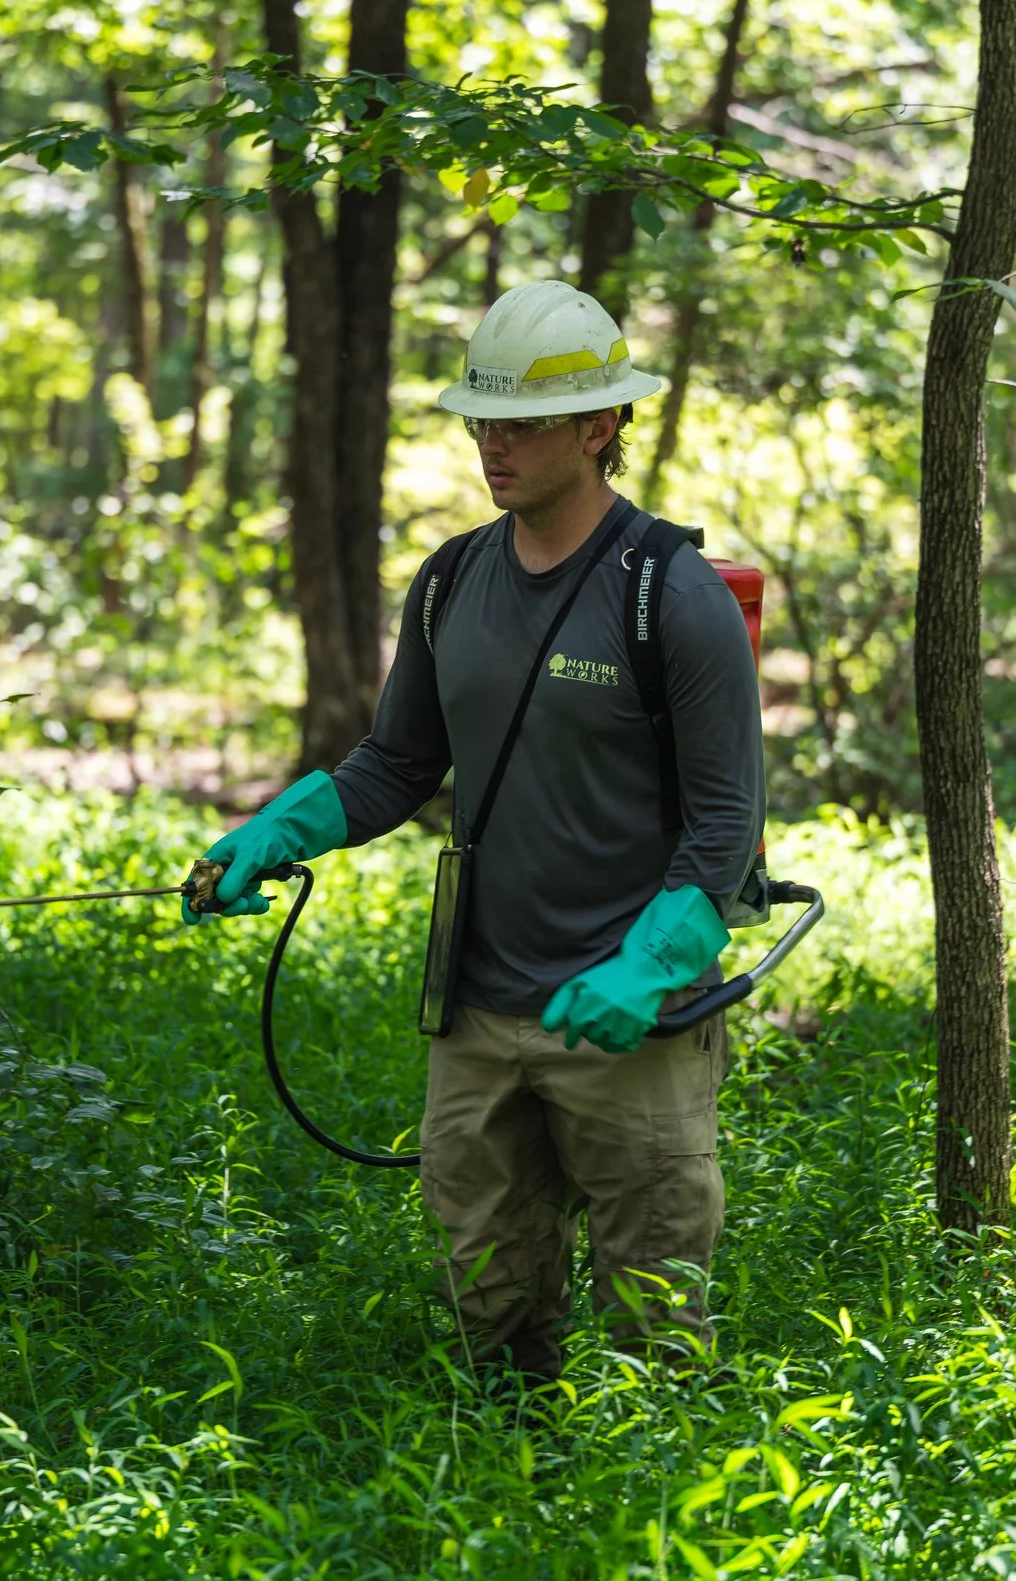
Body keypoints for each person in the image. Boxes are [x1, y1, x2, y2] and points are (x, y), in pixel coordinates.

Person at [187, 280, 763, 1384]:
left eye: (523, 424)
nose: (493, 446)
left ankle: (660, 1521)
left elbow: (726, 823)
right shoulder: (452, 580)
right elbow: (397, 763)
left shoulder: (669, 594)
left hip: (627, 1028)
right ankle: (512, 1507)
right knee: (489, 1310)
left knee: (654, 1317)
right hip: (480, 1017)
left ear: (599, 427)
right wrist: (278, 829)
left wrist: (648, 966)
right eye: (480, 421)